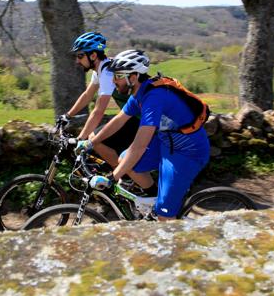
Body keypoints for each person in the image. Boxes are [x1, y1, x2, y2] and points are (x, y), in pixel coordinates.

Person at [84, 49, 210, 221]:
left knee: (165, 218)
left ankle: (168, 213)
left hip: (187, 152)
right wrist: (91, 142)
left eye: (118, 75)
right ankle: (154, 198)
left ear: (134, 77)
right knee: (125, 161)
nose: (114, 81)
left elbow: (139, 146)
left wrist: (112, 178)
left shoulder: (154, 98)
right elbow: (119, 120)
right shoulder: (140, 93)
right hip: (167, 141)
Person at [57, 32, 139, 168]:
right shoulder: (100, 70)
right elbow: (87, 95)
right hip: (132, 116)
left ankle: (122, 178)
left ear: (93, 55)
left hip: (140, 118)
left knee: (95, 140)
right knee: (95, 137)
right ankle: (122, 171)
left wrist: (80, 139)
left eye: (80, 55)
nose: (77, 61)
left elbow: (98, 111)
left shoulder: (107, 73)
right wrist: (67, 115)